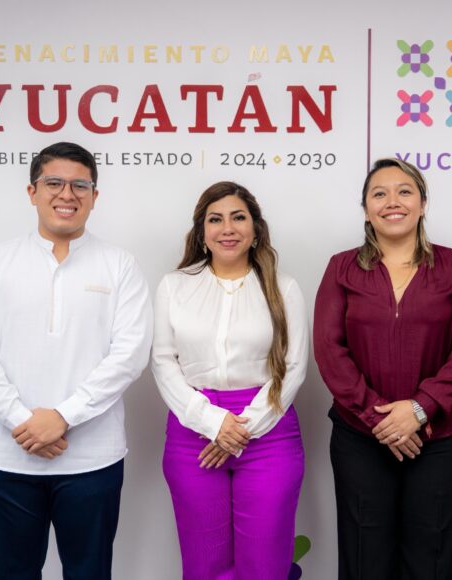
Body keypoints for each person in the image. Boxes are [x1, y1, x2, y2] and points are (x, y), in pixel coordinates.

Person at [0, 142, 153, 579]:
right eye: (54, 183)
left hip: (92, 460)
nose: (67, 194)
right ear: (32, 192)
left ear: (94, 196)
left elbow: (129, 354)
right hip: (6, 456)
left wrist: (63, 416)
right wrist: (22, 420)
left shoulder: (120, 265)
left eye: (79, 186)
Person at [313, 158, 452, 580]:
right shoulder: (342, 268)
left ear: (423, 204)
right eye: (380, 194)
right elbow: (329, 349)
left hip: (440, 440)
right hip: (360, 438)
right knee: (364, 559)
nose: (392, 201)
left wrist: (420, 409)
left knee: (431, 560)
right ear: (366, 210)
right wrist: (379, 419)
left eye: (404, 191)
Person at [152, 181, 308, 580]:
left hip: (268, 432)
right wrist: (211, 422)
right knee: (204, 562)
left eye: (238, 217)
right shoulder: (174, 285)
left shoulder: (284, 287)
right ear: (201, 232)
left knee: (265, 563)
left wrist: (240, 429)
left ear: (255, 229)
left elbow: (293, 366)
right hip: (192, 431)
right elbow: (163, 361)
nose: (227, 228)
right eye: (215, 219)